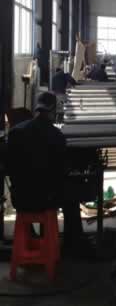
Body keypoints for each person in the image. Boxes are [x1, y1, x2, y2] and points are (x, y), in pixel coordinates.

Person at [5, 92, 87, 255]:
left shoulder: (15, 132)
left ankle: (30, 240)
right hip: (48, 199)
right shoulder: (57, 136)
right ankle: (73, 244)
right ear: (53, 111)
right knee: (72, 197)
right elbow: (61, 171)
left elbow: (9, 167)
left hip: (20, 199)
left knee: (37, 189)